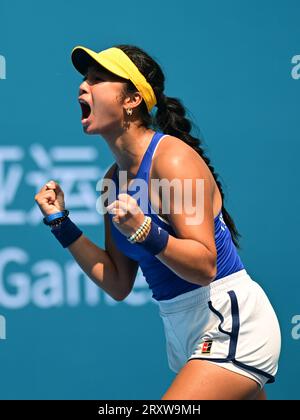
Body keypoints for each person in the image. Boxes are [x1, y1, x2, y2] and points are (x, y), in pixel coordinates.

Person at [34, 44, 281, 400]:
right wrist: (60, 223)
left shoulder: (174, 161)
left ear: (131, 100)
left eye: (98, 80)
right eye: (85, 80)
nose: (83, 87)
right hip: (183, 332)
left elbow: (204, 265)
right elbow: (118, 281)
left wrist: (145, 232)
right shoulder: (111, 181)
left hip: (228, 322)